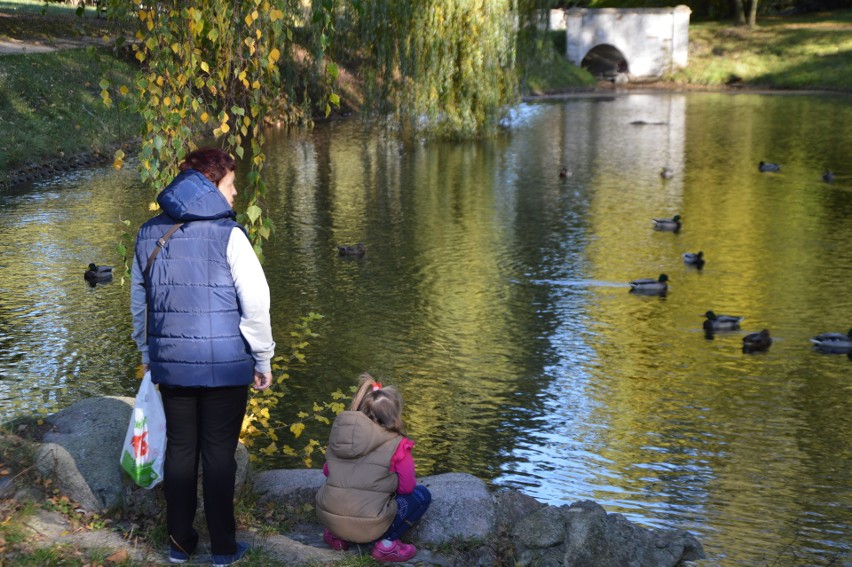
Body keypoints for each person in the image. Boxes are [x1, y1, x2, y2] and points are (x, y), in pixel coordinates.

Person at [130, 147, 275, 566]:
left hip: (171, 363)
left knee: (179, 450)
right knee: (217, 454)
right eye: (230, 186)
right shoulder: (229, 234)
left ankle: (179, 545)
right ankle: (224, 549)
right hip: (226, 364)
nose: (234, 197)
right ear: (209, 185)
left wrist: (147, 353)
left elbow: (139, 306)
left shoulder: (147, 234)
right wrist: (262, 359)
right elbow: (257, 304)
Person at [316, 373, 432, 563]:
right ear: (394, 415)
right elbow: (407, 488)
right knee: (421, 495)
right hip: (371, 525)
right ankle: (387, 545)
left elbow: (328, 471)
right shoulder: (398, 445)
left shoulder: (341, 437)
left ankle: (337, 537)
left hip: (331, 519)